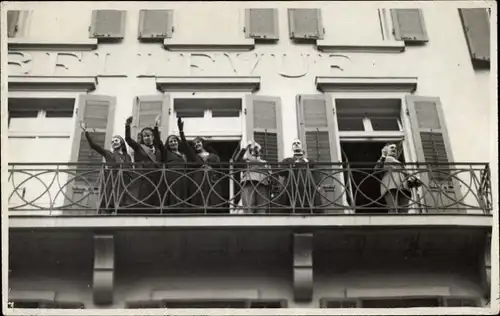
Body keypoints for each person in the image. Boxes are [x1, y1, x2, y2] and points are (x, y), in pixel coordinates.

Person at [80, 122, 133, 213]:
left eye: (116, 141)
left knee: (123, 203)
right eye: (112, 142)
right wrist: (86, 131)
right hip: (113, 180)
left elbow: (131, 169)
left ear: (121, 143)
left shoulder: (127, 156)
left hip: (125, 182)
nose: (114, 143)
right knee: (110, 202)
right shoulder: (108, 153)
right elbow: (93, 146)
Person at [180, 122, 222, 212]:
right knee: (199, 200)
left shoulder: (213, 156)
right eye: (194, 144)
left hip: (212, 180)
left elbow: (220, 168)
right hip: (198, 181)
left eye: (198, 142)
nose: (196, 145)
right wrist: (181, 132)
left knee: (213, 199)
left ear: (202, 143)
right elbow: (186, 145)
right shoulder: (195, 157)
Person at [124, 116, 163, 211]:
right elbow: (128, 139)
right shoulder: (138, 147)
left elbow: (159, 141)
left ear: (153, 137)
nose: (146, 138)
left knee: (155, 198)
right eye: (144, 136)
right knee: (143, 198)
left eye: (148, 135)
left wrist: (156, 126)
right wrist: (127, 125)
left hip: (156, 177)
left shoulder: (158, 149)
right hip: (143, 176)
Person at [153, 117, 190, 212]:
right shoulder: (166, 152)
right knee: (173, 194)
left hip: (183, 177)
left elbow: (186, 143)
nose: (173, 143)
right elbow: (158, 142)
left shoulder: (183, 154)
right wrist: (156, 127)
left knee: (183, 194)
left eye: (174, 141)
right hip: (172, 176)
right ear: (168, 145)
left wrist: (181, 130)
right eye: (170, 142)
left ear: (178, 142)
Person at [374, 143, 421, 213]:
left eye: (395, 148)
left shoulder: (400, 163)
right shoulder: (384, 160)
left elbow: (406, 175)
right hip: (390, 185)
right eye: (391, 147)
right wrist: (383, 156)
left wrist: (413, 180)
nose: (394, 149)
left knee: (404, 211)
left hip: (404, 187)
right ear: (385, 150)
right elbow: (376, 170)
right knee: (393, 209)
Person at [278, 139, 322, 213]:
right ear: (292, 148)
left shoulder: (309, 161)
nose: (296, 144)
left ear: (302, 146)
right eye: (294, 143)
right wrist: (293, 162)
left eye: (298, 143)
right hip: (292, 189)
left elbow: (317, 172)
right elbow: (281, 172)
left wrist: (317, 184)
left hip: (308, 189)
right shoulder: (287, 161)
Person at [234, 140, 271, 214]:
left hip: (263, 184)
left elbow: (270, 175)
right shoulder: (246, 161)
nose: (255, 151)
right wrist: (245, 148)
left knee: (262, 209)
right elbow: (236, 161)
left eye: (257, 148)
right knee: (249, 209)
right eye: (253, 149)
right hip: (248, 184)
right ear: (250, 152)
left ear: (260, 151)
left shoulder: (265, 163)